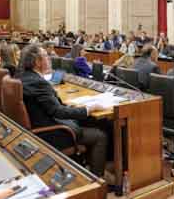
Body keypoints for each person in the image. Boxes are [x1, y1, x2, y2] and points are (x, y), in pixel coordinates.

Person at [18, 44, 108, 177]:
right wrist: (89, 108)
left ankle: (85, 166)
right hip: (51, 133)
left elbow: (52, 107)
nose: (49, 59)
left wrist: (74, 108)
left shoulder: (22, 76)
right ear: (37, 61)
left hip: (35, 126)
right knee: (100, 135)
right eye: (46, 57)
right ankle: (97, 182)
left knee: (90, 122)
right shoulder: (38, 82)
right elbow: (58, 112)